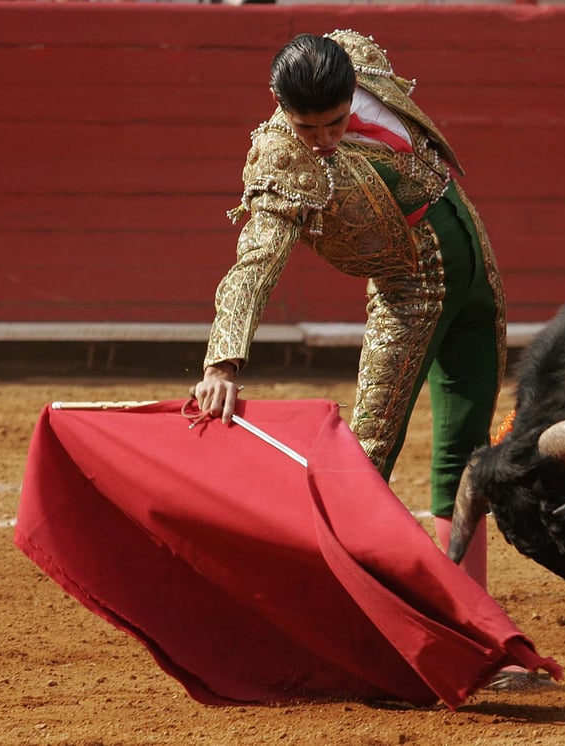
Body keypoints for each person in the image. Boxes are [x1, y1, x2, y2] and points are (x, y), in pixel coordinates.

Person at [192, 31, 503, 602]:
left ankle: (471, 616)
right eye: (309, 128)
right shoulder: (281, 158)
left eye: (335, 123)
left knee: (468, 449)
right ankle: (335, 611)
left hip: (476, 267)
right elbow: (255, 261)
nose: (325, 140)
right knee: (364, 457)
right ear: (279, 103)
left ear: (349, 87)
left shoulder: (356, 57)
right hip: (409, 291)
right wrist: (224, 363)